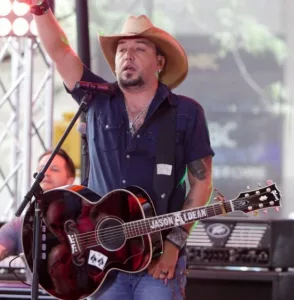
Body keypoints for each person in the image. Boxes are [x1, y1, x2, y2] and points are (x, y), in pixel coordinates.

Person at [19, 1, 215, 299]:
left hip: (157, 257)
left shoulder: (186, 112)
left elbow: (201, 184)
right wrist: (40, 9)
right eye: (122, 49)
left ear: (160, 62)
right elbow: (60, 52)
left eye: (139, 48)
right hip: (101, 262)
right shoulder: (96, 99)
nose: (128, 55)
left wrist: (174, 246)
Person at [0, 149, 76, 262]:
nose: (45, 173)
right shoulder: (20, 225)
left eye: (54, 169)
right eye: (41, 169)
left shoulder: (82, 218)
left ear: (70, 180)